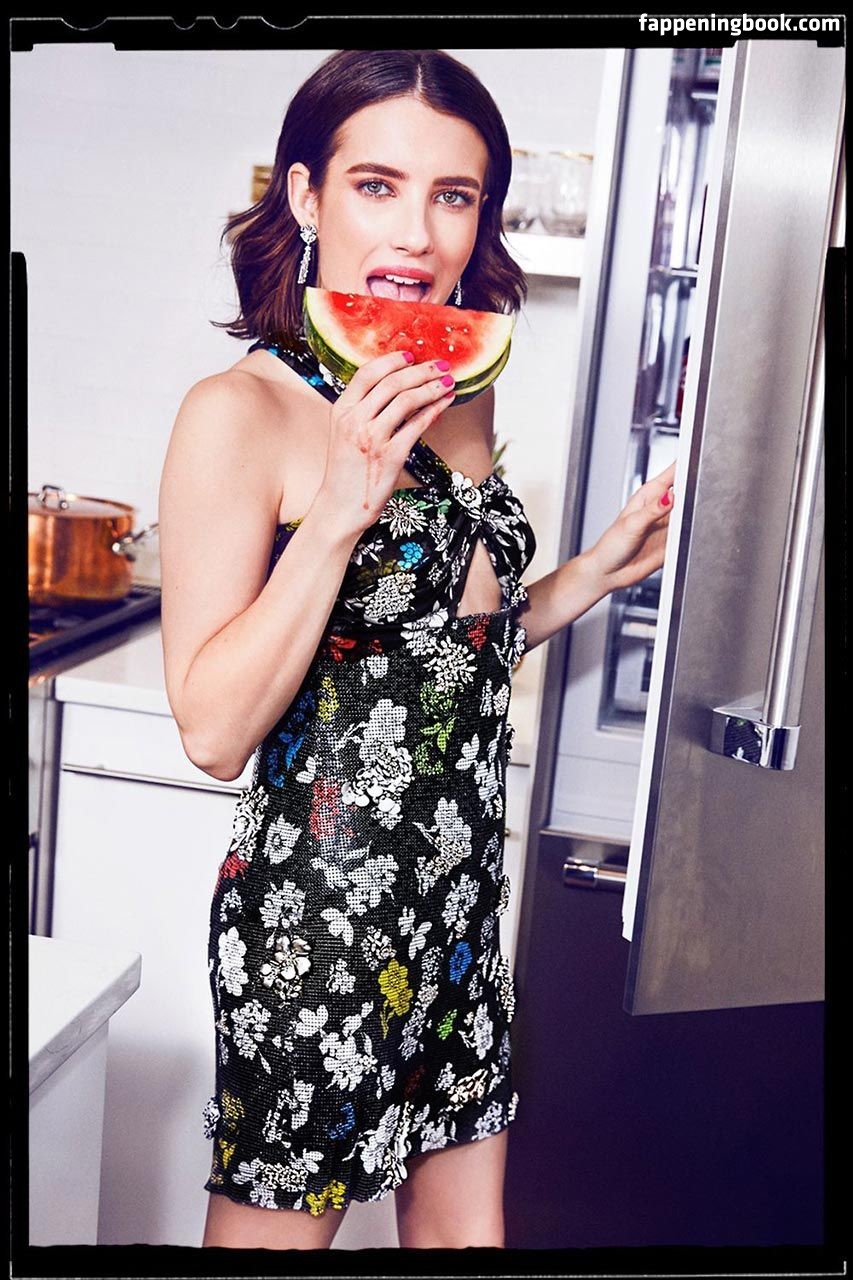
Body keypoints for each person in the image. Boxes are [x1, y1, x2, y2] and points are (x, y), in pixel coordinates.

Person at [158, 48, 675, 1252]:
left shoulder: (458, 390)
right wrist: (338, 512)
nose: (417, 232)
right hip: (322, 919)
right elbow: (212, 729)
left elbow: (439, 651)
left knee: (462, 1240)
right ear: (304, 194)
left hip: (458, 904)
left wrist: (591, 574)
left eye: (453, 195)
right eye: (376, 185)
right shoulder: (237, 413)